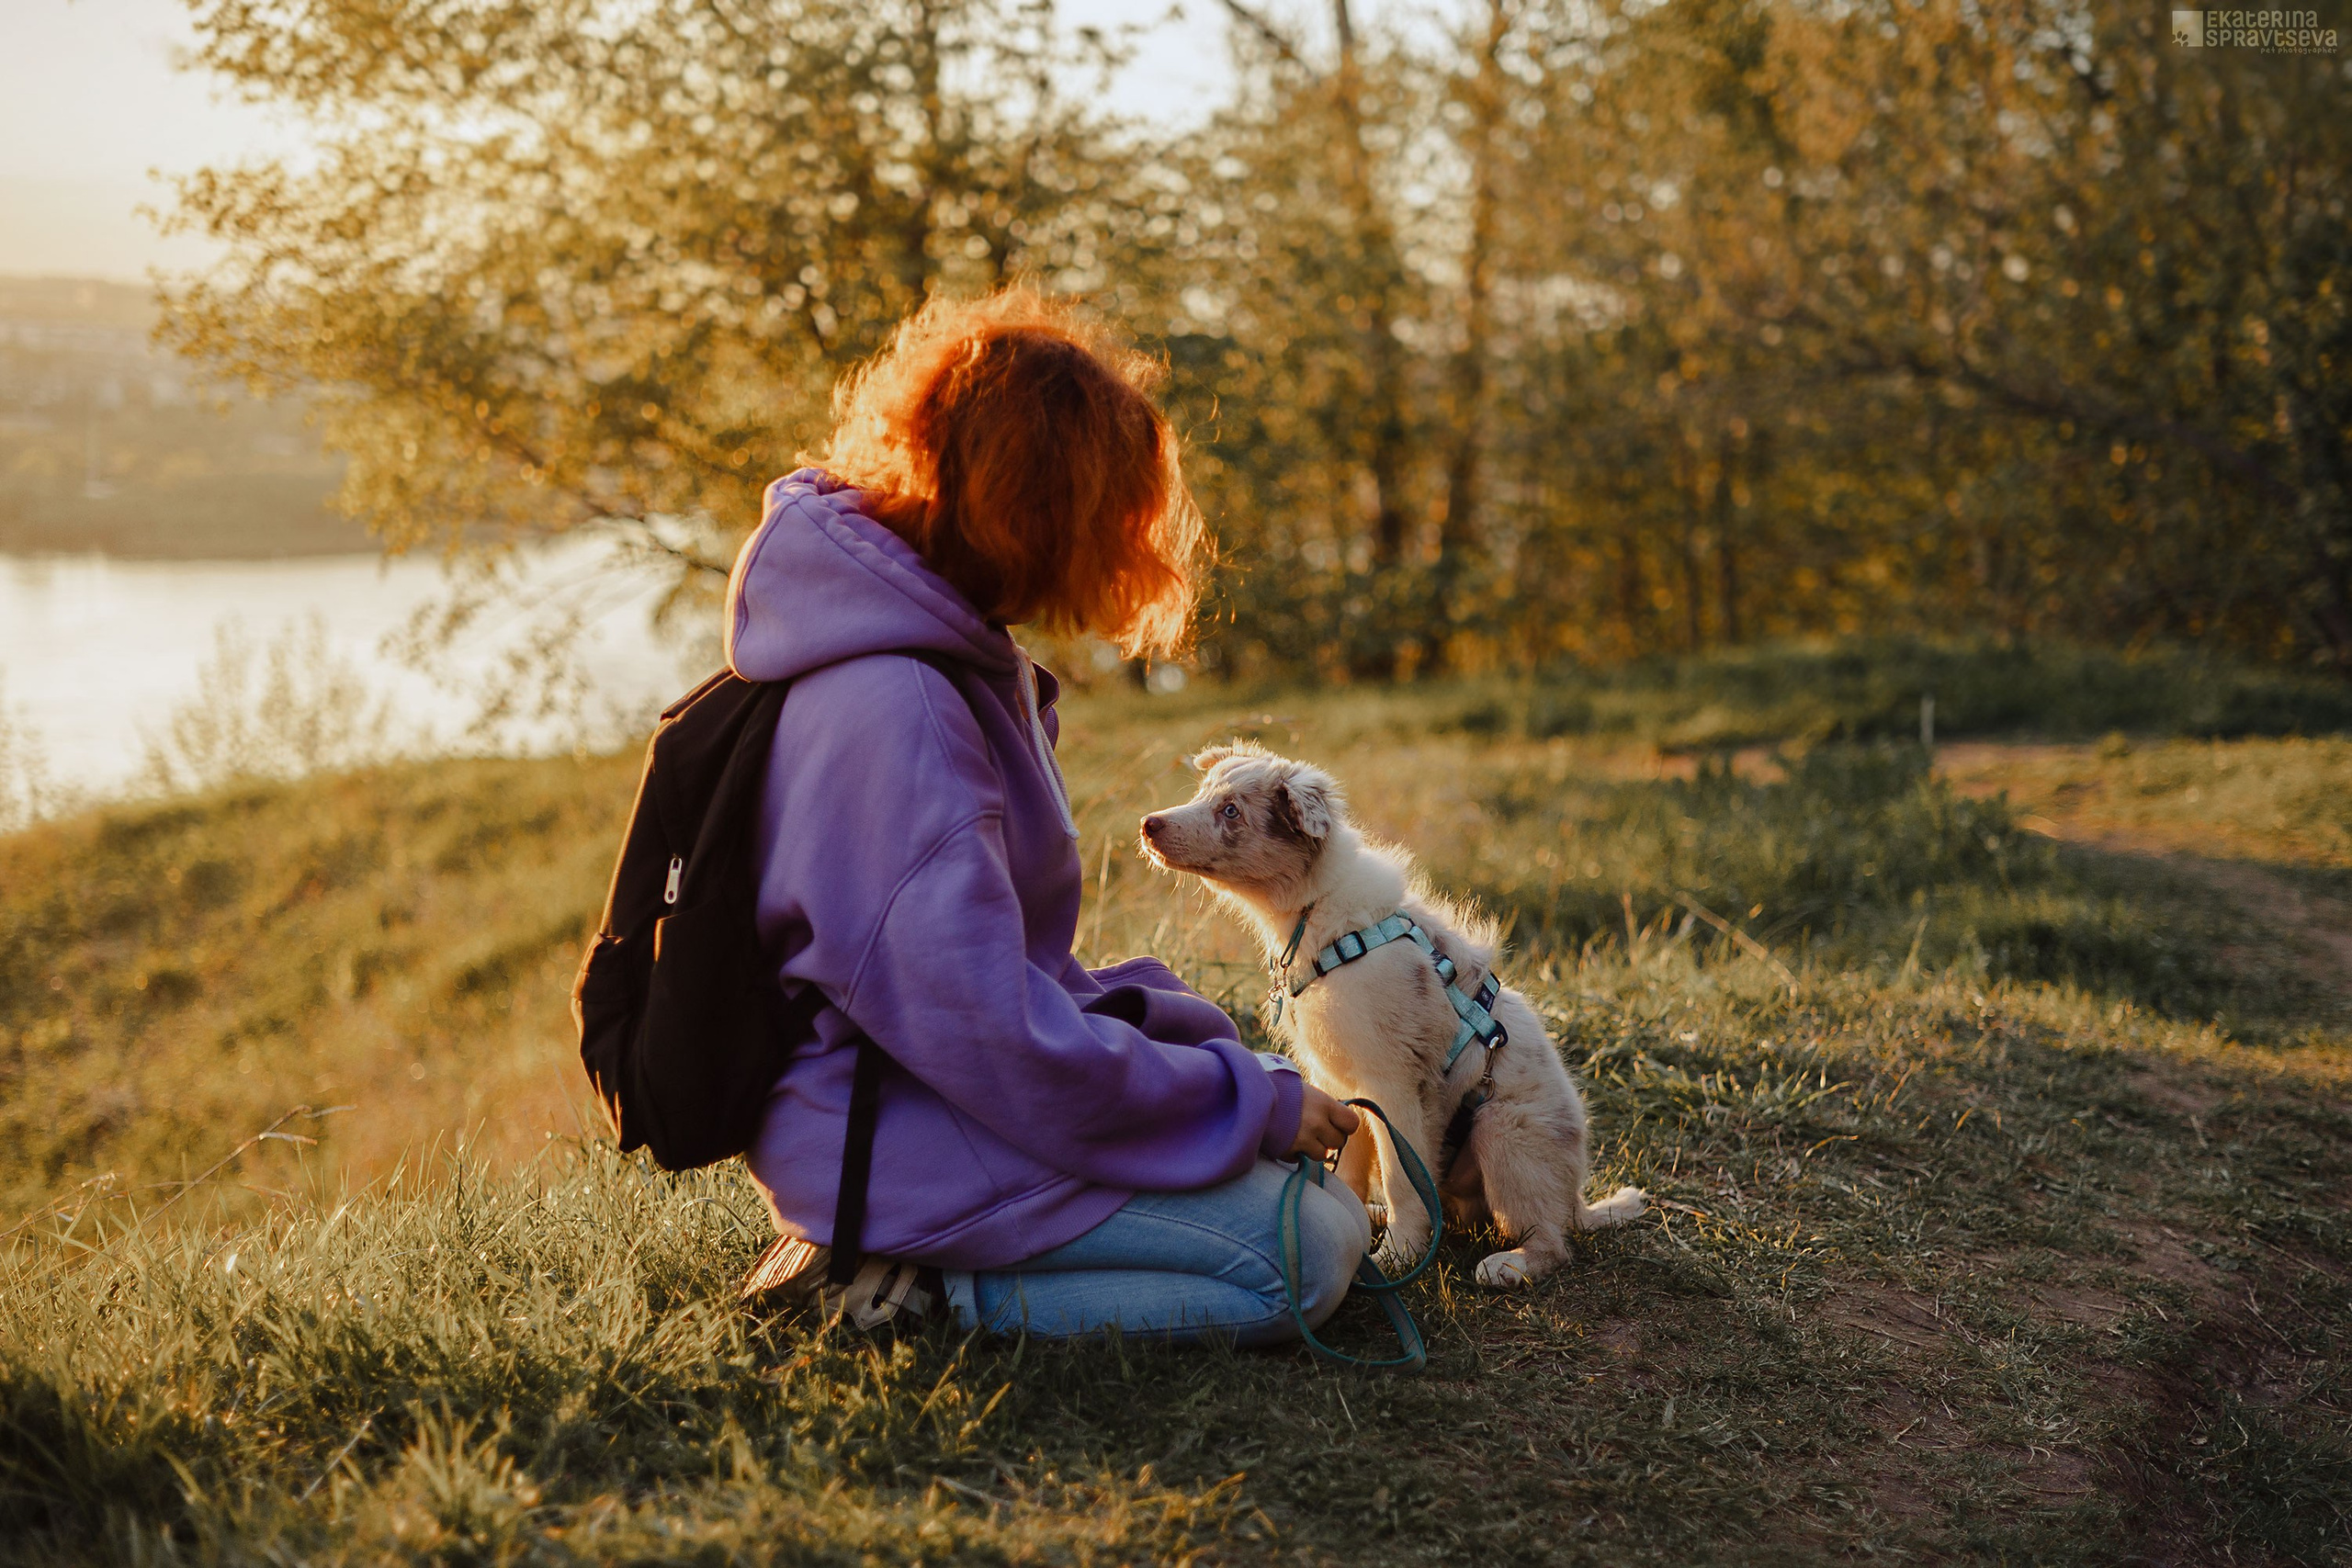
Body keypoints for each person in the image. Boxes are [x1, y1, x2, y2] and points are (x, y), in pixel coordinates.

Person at [725, 288, 1369, 1344]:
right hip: (893, 1141)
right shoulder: (904, 712)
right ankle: (902, 1292)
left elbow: (997, 977)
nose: (1126, 541)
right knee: (1307, 1254)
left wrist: (1205, 1056)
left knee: (1316, 1183)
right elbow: (988, 1034)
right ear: (1033, 510)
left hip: (925, 1104)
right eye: (1108, 508)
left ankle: (912, 1264)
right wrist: (1238, 1103)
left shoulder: (945, 657)